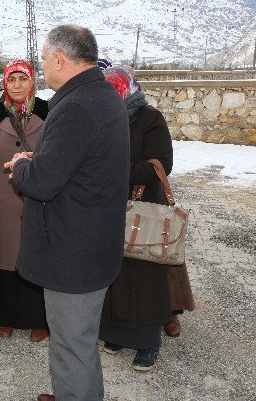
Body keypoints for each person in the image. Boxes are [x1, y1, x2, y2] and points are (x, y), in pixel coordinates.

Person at [5, 25, 129, 401]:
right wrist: (40, 159)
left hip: (73, 253)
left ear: (59, 58)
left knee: (70, 347)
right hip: (92, 244)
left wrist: (20, 165)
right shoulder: (101, 94)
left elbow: (42, 182)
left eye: (43, 59)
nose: (43, 66)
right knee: (80, 343)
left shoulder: (76, 106)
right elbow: (78, 164)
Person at [97, 66, 191, 371]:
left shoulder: (150, 117)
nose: (111, 94)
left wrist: (117, 172)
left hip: (142, 207)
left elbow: (162, 163)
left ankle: (148, 341)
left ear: (129, 88)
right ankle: (117, 333)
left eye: (116, 88)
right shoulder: (102, 118)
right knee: (114, 272)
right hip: (109, 206)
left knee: (143, 273)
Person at [0, 59, 50, 342]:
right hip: (4, 200)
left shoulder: (48, 112)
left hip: (38, 198)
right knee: (4, 260)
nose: (17, 85)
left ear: (32, 82)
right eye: (11, 80)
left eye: (23, 79)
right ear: (4, 84)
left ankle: (39, 319)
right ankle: (5, 317)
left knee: (35, 258)